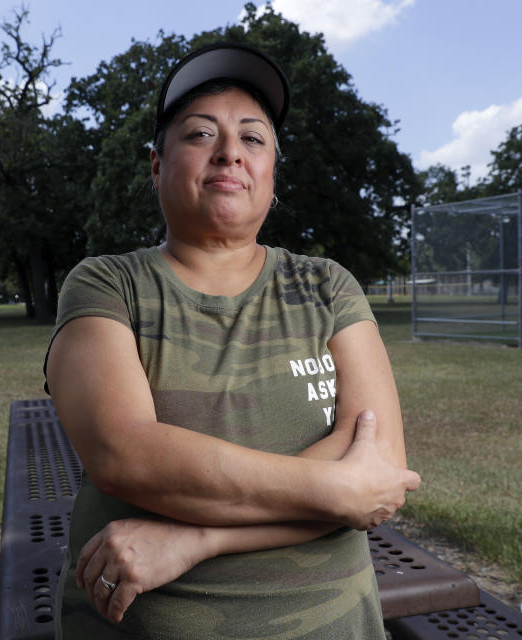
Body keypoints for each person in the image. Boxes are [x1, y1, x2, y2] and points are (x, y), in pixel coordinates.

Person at [44, 42, 422, 639]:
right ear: (156, 165)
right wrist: (336, 489)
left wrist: (198, 537)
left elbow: (380, 470)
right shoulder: (108, 283)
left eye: (253, 138)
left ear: (272, 172)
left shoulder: (326, 286)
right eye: (199, 134)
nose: (229, 153)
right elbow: (128, 455)